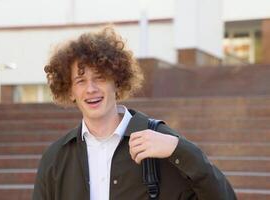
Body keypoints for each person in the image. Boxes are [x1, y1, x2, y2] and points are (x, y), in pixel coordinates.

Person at [33, 27, 236, 200]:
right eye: (81, 81)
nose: (91, 89)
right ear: (70, 91)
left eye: (100, 77)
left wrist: (179, 149)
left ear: (117, 81)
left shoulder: (161, 141)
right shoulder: (55, 158)